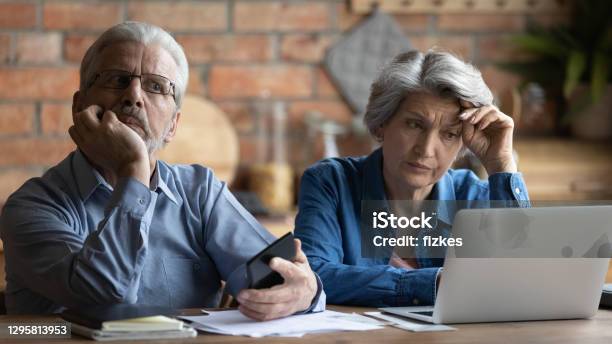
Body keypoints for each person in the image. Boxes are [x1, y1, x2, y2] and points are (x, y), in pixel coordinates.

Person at [0, 22, 324, 318]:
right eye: (117, 80)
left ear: (173, 125)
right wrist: (133, 170)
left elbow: (275, 275)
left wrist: (305, 292)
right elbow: (106, 295)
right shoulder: (32, 206)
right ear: (78, 105)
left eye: (155, 86)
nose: (134, 96)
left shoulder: (200, 192)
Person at [294, 50, 530, 307]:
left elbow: (523, 279)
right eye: (414, 125)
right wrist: (434, 283)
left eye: (449, 134)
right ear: (381, 124)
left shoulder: (473, 196)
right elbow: (313, 275)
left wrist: (502, 164)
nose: (426, 149)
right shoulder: (331, 183)